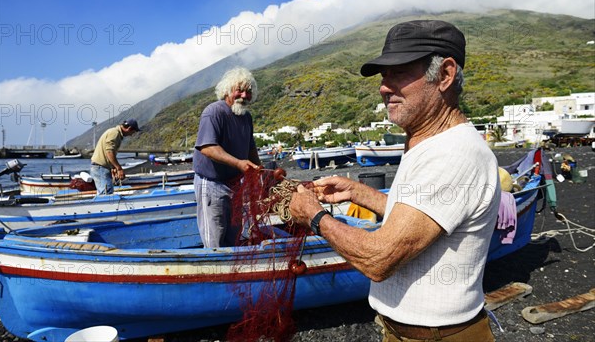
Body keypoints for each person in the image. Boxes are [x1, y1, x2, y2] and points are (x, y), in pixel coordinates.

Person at [289, 20, 501, 342]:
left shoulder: (453, 153)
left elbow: (379, 258)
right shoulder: (426, 141)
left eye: (399, 72)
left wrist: (314, 216)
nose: (384, 87)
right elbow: (423, 217)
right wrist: (358, 193)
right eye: (383, 76)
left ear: (444, 75)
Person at [193, 67, 261, 248]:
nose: (244, 95)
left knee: (235, 234)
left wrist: (260, 171)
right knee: (214, 237)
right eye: (239, 89)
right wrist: (238, 163)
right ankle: (214, 272)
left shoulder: (246, 117)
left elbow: (250, 147)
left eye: (248, 91)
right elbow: (207, 148)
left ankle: (232, 272)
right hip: (212, 183)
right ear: (227, 90)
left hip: (235, 184)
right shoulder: (214, 112)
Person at [90, 119, 140, 194]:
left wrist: (113, 167)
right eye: (133, 132)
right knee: (106, 192)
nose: (132, 135)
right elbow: (109, 152)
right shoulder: (115, 133)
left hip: (101, 167)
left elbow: (108, 153)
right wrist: (119, 168)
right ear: (129, 129)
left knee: (104, 192)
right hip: (100, 168)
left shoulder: (115, 133)